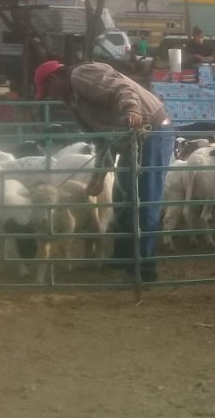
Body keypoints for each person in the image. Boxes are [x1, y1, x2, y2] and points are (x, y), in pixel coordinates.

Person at [33, 59, 174, 283]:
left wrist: (131, 110)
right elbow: (101, 140)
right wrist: (98, 176)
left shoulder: (81, 75)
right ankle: (124, 256)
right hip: (131, 138)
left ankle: (144, 270)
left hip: (150, 132)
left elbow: (121, 88)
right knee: (123, 197)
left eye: (49, 90)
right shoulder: (74, 101)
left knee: (144, 201)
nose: (51, 96)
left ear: (54, 79)